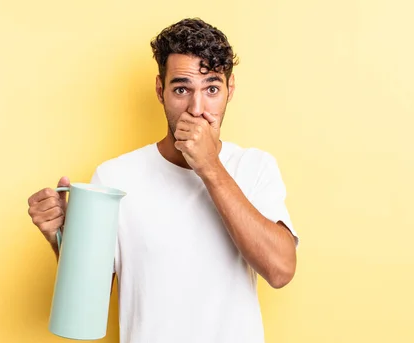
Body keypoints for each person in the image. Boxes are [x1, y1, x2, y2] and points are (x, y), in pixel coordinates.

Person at [27, 17, 298, 343]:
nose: (197, 109)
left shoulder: (254, 167)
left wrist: (210, 168)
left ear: (231, 89)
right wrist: (63, 238)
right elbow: (90, 300)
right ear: (160, 90)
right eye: (182, 89)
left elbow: (281, 270)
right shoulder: (114, 177)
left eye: (212, 88)